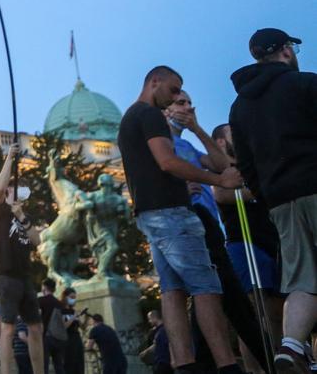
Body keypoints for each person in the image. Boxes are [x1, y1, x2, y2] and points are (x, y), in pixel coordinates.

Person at [116, 65, 245, 374]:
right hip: (171, 212)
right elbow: (168, 161)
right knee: (206, 287)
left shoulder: (129, 118)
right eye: (174, 91)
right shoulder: (149, 116)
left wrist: (199, 132)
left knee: (172, 291)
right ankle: (227, 365)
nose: (176, 98)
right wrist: (219, 180)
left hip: (150, 214)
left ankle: (184, 364)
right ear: (154, 82)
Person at [228, 29, 317, 374]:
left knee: (302, 279)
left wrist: (267, 195)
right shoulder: (304, 84)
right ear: (284, 51)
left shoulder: (240, 107)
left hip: (280, 200)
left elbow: (246, 163)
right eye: (293, 47)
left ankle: (291, 347)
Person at [165, 90, 270, 371]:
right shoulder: (161, 146)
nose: (188, 107)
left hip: (209, 227)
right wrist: (177, 188)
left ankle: (184, 361)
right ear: (165, 109)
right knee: (230, 301)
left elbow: (224, 166)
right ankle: (260, 363)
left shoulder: (187, 146)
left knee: (213, 298)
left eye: (190, 102)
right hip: (189, 224)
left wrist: (197, 128)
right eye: (180, 103)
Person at [212, 123, 284, 373]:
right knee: (255, 314)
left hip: (270, 243)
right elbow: (223, 195)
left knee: (276, 312)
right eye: (233, 133)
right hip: (244, 244)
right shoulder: (224, 171)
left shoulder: (251, 167)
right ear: (221, 142)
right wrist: (260, 190)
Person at [0, 143, 44, 374]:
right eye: (17, 187)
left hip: (25, 276)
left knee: (35, 328)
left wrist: (22, 215)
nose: (20, 190)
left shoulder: (25, 215)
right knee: (8, 328)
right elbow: (0, 187)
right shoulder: (1, 210)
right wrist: (10, 158)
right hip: (7, 275)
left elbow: (36, 240)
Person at [39, 280, 65, 374]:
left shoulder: (41, 301)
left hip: (46, 336)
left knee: (44, 365)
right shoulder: (59, 303)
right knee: (59, 365)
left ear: (44, 287)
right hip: (58, 337)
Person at [139, 310, 171, 374]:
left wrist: (145, 353)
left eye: (150, 319)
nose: (149, 321)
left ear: (154, 318)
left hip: (164, 363)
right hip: (161, 362)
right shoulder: (158, 331)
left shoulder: (162, 331)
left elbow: (159, 345)